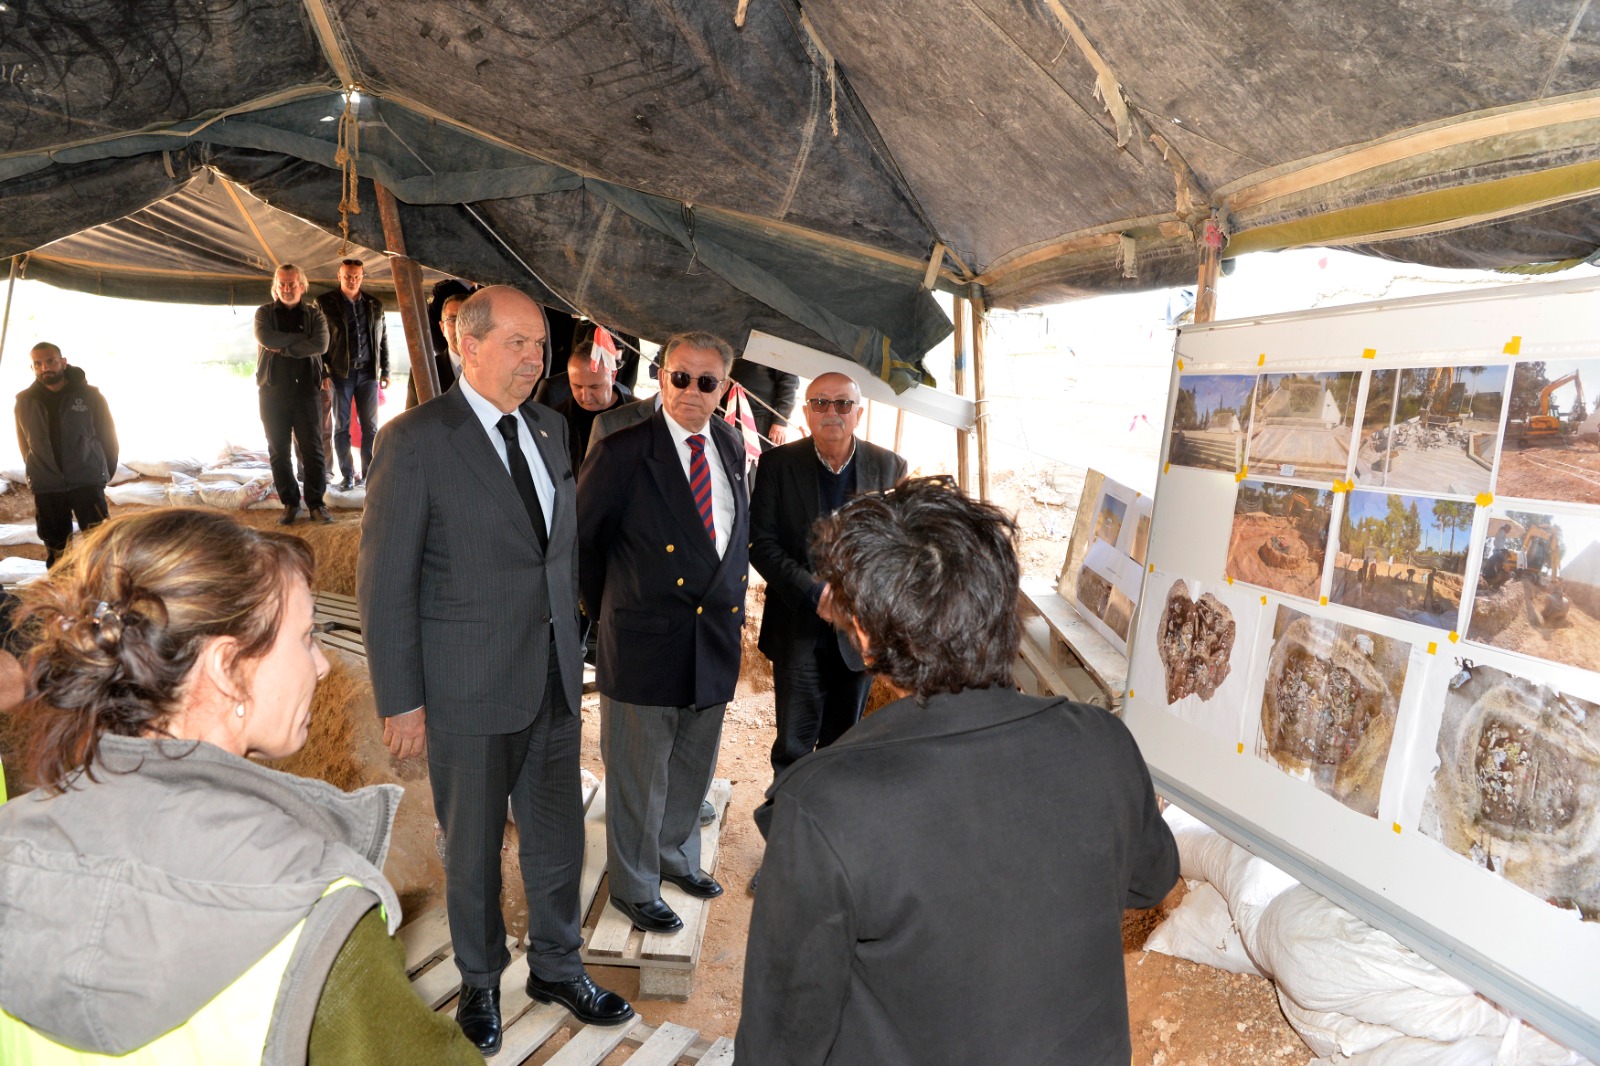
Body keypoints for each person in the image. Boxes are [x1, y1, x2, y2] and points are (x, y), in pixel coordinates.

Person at [0, 508, 482, 1064]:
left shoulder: (13, 839)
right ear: (227, 667)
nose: (321, 666)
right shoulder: (311, 907)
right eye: (305, 637)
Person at [736, 477, 1179, 1066]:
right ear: (1002, 605)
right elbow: (1152, 878)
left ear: (866, 637)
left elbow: (780, 1041)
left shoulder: (825, 805)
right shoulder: (1103, 742)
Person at [359, 284, 632, 1055]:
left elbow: (554, 555)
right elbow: (385, 580)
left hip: (551, 676)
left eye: (540, 345)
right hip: (466, 685)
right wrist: (401, 699)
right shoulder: (415, 440)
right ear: (467, 345)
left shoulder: (549, 428)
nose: (535, 359)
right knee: (474, 846)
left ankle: (557, 967)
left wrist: (577, 642)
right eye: (518, 343)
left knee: (557, 837)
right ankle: (480, 981)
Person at [576, 331, 749, 935]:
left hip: (713, 638)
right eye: (679, 377)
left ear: (724, 388)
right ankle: (634, 885)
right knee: (638, 775)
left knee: (692, 764)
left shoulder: (730, 443)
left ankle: (675, 857)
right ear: (660, 376)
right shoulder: (623, 451)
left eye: (706, 381)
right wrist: (613, 613)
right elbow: (584, 544)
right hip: (644, 638)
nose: (690, 391)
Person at [750, 371, 906, 782]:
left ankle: (830, 820)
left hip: (859, 634)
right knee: (793, 750)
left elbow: (897, 549)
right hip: (797, 629)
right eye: (820, 402)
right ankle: (788, 820)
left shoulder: (889, 467)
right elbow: (761, 544)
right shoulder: (777, 464)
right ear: (806, 412)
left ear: (858, 413)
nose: (831, 411)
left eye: (842, 403)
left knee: (843, 749)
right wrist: (815, 594)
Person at [14, 342, 118, 567]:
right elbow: (25, 443)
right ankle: (61, 588)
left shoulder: (90, 396)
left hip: (87, 481)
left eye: (50, 361)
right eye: (38, 364)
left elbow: (108, 436)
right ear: (32, 368)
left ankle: (103, 586)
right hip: (48, 487)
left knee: (100, 545)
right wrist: (38, 471)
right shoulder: (24, 401)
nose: (45, 368)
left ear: (63, 362)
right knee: (57, 550)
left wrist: (103, 473)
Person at [254, 264, 332, 526]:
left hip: (307, 390)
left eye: (292, 284)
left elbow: (321, 344)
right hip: (272, 391)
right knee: (278, 450)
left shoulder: (315, 315)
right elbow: (266, 338)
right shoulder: (263, 313)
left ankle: (316, 504)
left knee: (312, 449)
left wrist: (285, 348)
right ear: (276, 286)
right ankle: (290, 503)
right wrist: (302, 340)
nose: (287, 289)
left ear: (302, 286)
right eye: (282, 284)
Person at [316, 259, 390, 490]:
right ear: (339, 276)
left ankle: (369, 474)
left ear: (362, 277)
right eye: (348, 276)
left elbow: (383, 339)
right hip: (340, 374)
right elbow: (317, 341)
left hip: (368, 373)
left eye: (357, 276)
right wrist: (322, 372)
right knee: (342, 426)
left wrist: (386, 369)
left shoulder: (374, 304)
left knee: (371, 427)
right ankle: (347, 474)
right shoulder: (324, 302)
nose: (352, 280)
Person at [553, 344, 634, 472]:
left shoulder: (640, 414)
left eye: (594, 387)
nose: (586, 397)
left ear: (613, 376)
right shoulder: (555, 419)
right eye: (577, 386)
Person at [405, 291, 468, 409]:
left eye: (467, 319)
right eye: (453, 320)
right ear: (442, 328)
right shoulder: (424, 371)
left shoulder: (495, 366)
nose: (460, 327)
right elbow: (413, 416)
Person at [728, 358, 798, 446]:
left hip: (761, 418)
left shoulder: (780, 354)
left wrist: (780, 420)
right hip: (728, 412)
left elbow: (789, 384)